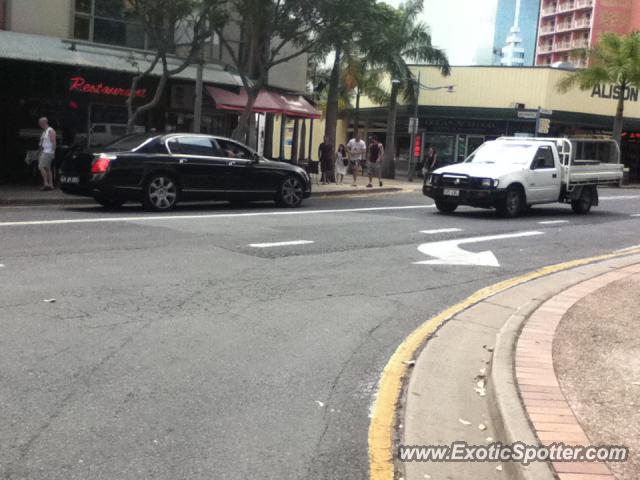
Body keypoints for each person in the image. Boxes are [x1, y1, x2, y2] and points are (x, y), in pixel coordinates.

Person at [38, 117, 56, 191]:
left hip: (48, 152)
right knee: (47, 168)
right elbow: (42, 143)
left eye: (40, 123)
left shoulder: (50, 131)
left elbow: (54, 142)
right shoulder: (44, 132)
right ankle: (51, 185)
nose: (39, 125)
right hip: (44, 151)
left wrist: (53, 152)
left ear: (44, 123)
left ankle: (46, 183)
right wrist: (39, 152)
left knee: (41, 166)